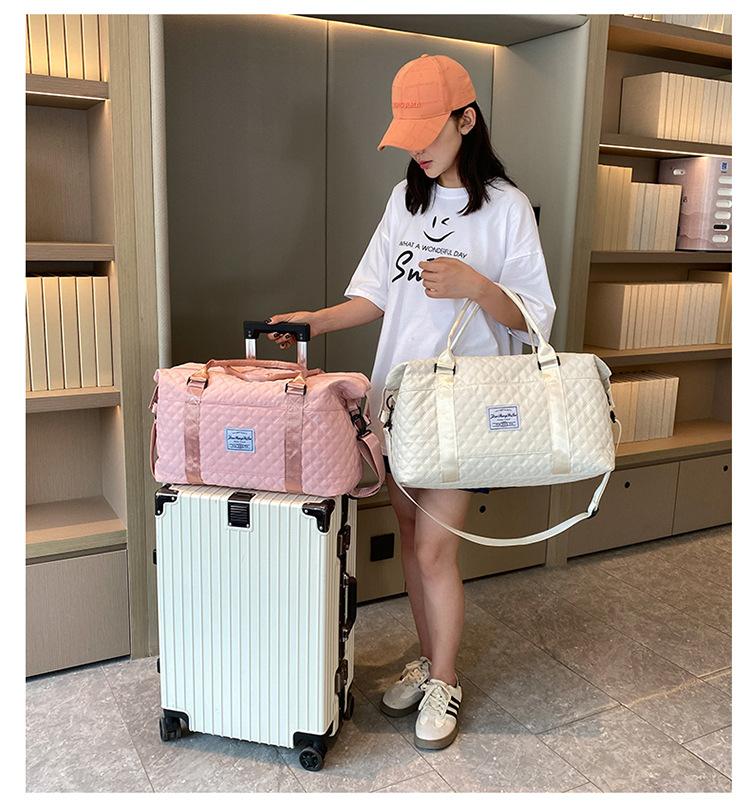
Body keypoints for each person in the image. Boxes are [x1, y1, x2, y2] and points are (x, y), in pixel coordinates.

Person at [264, 53, 556, 751]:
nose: (418, 150)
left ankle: (445, 680)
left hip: (465, 406)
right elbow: (374, 294)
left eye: (429, 133)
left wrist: (476, 286)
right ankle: (429, 662)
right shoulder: (406, 200)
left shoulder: (507, 208)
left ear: (467, 120)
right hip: (399, 398)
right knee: (409, 536)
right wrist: (312, 321)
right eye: (409, 136)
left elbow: (536, 319)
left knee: (432, 549)